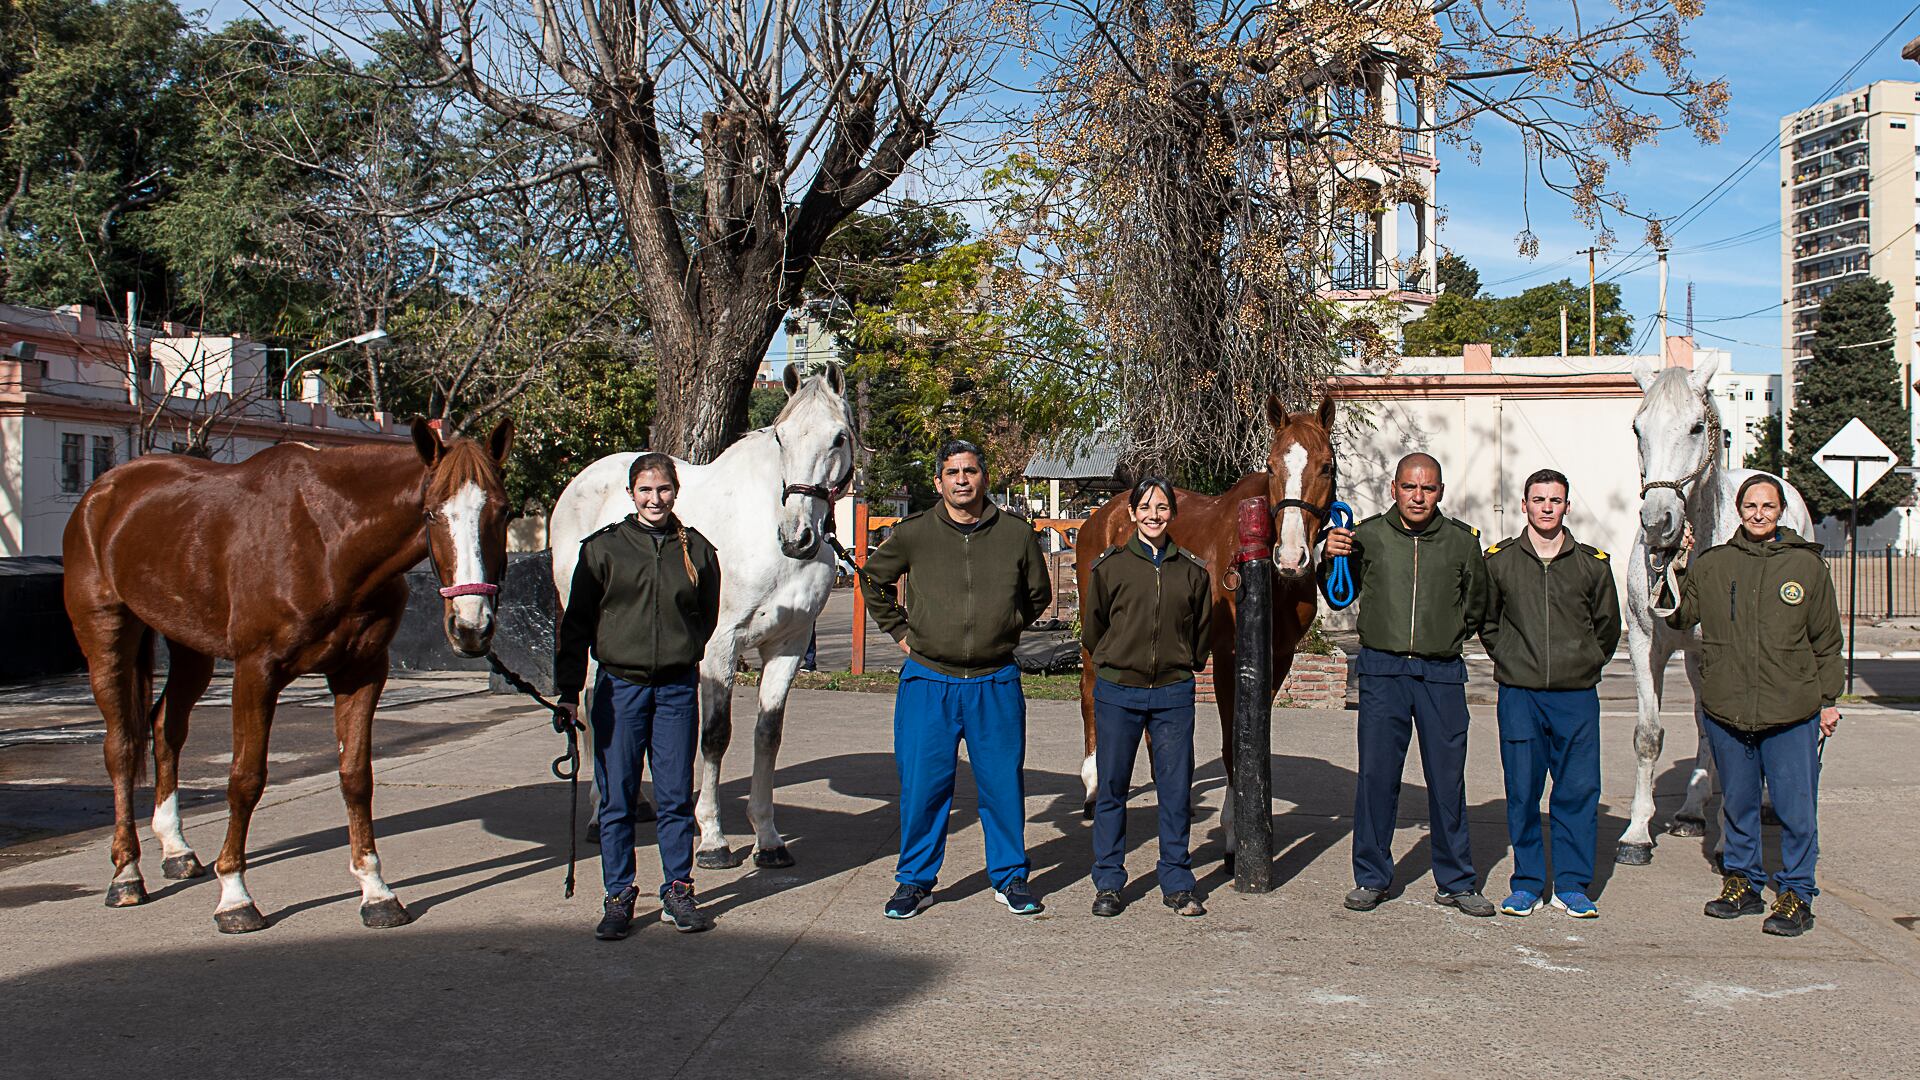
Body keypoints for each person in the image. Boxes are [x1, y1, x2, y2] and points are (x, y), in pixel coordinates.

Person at [860, 440, 1052, 919]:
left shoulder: (1015, 534)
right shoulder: (914, 533)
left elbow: (1038, 595)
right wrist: (902, 633)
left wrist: (1003, 626)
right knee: (924, 787)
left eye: (970, 471)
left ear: (984, 477)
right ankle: (915, 881)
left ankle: (1010, 878)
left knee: (1002, 786)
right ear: (939, 481)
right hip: (929, 680)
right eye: (952, 472)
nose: (962, 480)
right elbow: (872, 580)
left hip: (995, 682)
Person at [556, 453, 723, 939]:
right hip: (618, 690)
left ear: (676, 492)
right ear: (631, 494)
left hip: (675, 689)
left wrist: (681, 649)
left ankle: (677, 890)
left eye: (664, 490)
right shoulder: (603, 550)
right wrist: (568, 692)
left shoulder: (699, 551)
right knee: (618, 799)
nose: (655, 499)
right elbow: (575, 627)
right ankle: (619, 894)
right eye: (645, 491)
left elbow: (706, 616)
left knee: (674, 796)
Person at [1666, 474, 1841, 937]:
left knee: (1795, 810)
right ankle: (1742, 882)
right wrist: (1676, 565)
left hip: (1791, 711)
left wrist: (1828, 701)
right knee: (1738, 806)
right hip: (1728, 709)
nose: (1759, 514)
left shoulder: (1806, 567)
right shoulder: (1713, 564)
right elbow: (1681, 617)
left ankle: (1797, 892)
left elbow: (1827, 641)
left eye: (1767, 506)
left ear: (1780, 510)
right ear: (1739, 512)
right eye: (1750, 506)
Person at [1322, 453, 1493, 917]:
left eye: (1429, 488)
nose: (1419, 497)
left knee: (1446, 781)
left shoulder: (1462, 543)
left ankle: (1456, 880)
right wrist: (1329, 557)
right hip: (1383, 672)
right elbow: (1339, 588)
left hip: (1440, 676)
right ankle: (1371, 877)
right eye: (1410, 487)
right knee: (1377, 779)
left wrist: (1446, 635)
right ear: (1394, 488)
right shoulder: (1368, 537)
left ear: (1440, 491)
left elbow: (1477, 605)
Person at [1480, 469, 1620, 919]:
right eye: (1538, 499)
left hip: (1575, 697)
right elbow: (1487, 620)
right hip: (1519, 695)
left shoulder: (1592, 564)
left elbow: (1608, 628)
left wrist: (1584, 663)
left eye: (1554, 500)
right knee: (1522, 791)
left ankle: (1573, 885)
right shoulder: (1499, 561)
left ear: (1566, 506)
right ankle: (1526, 883)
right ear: (1524, 505)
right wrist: (1509, 657)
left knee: (1577, 791)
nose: (1546, 507)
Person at [1080, 477, 1214, 918]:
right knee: (1113, 789)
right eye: (1147, 507)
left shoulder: (1192, 571)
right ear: (1133, 513)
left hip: (1173, 694)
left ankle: (1176, 880)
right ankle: (1109, 880)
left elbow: (1201, 635)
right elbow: (1094, 629)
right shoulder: (1110, 567)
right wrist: (1117, 663)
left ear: (1172, 515)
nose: (1155, 515)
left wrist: (1180, 665)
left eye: (1163, 508)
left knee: (1175, 791)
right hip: (1119, 692)